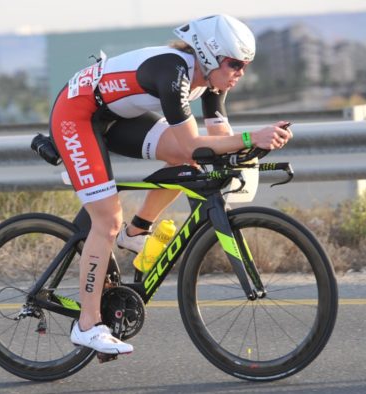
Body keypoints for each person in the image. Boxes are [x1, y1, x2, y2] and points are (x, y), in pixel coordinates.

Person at [49, 14, 293, 355]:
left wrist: (256, 146)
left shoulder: (211, 82)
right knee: (106, 219)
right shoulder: (173, 73)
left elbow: (217, 143)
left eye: (246, 65)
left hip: (117, 116)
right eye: (235, 63)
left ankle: (135, 233)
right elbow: (197, 143)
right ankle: (87, 325)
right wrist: (253, 134)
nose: (240, 72)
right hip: (77, 115)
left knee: (187, 162)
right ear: (209, 55)